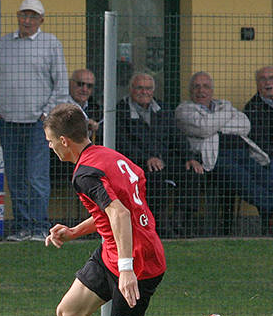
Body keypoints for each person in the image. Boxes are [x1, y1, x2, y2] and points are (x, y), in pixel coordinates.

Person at [42, 103, 235, 316]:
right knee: (69, 311)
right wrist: (75, 231)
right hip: (114, 252)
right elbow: (116, 211)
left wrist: (127, 269)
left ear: (64, 141)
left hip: (139, 261)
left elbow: (119, 213)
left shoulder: (85, 174)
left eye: (51, 141)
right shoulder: (111, 158)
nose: (50, 147)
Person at [0, 0, 68, 241]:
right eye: (23, 15)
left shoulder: (50, 44)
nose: (27, 20)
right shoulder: (4, 44)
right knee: (15, 176)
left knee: (36, 177)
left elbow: (61, 85)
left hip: (38, 124)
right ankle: (22, 227)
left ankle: (40, 227)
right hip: (8, 121)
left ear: (41, 20)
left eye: (33, 16)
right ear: (17, 16)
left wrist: (46, 114)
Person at [175, 71, 273, 235]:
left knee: (265, 177)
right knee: (245, 181)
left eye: (205, 86)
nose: (201, 90)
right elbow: (203, 128)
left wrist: (214, 125)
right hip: (215, 158)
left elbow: (245, 125)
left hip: (241, 153)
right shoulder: (184, 110)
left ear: (212, 90)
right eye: (196, 86)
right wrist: (225, 118)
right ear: (190, 90)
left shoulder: (222, 105)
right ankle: (270, 208)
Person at [115, 73, 202, 237]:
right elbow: (121, 143)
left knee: (192, 172)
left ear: (153, 91)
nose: (144, 92)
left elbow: (177, 136)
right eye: (140, 88)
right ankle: (159, 224)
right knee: (155, 176)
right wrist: (146, 158)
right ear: (131, 89)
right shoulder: (120, 111)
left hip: (165, 160)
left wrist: (190, 157)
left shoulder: (163, 109)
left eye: (148, 88)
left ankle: (181, 222)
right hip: (136, 164)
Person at [243, 66, 273, 158]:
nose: (268, 82)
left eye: (271, 78)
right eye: (263, 79)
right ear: (257, 84)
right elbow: (262, 146)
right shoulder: (251, 110)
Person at [67, 69, 102, 140]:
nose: (84, 89)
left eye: (89, 86)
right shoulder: (61, 105)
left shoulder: (96, 108)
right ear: (70, 83)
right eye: (80, 84)